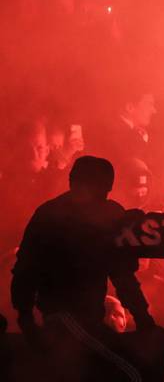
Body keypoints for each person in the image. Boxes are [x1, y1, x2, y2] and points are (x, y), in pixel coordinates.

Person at [11, 156, 153, 380]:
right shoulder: (51, 216)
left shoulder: (106, 216)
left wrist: (143, 317)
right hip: (64, 319)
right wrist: (26, 320)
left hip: (88, 320)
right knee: (131, 372)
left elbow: (121, 274)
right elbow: (25, 270)